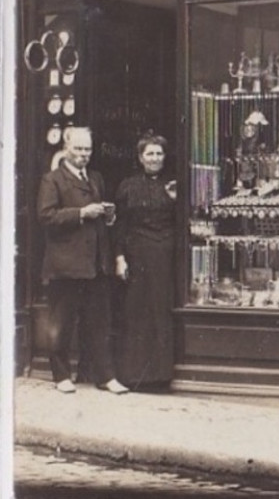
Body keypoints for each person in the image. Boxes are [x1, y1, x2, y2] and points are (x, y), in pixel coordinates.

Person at [36, 125, 128, 394]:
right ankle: (61, 376)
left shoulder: (96, 178)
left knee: (99, 324)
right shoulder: (52, 180)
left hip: (95, 265)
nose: (84, 154)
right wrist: (81, 213)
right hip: (66, 265)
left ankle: (105, 377)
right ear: (66, 148)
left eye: (87, 149)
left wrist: (107, 216)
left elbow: (97, 221)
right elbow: (46, 216)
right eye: (78, 149)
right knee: (62, 323)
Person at [114, 133, 177, 391]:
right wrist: (119, 258)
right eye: (149, 154)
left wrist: (175, 200)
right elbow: (119, 226)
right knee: (137, 312)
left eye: (159, 153)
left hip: (165, 255)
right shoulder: (127, 186)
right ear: (140, 157)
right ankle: (135, 376)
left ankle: (161, 377)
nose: (155, 158)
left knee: (161, 311)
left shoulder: (173, 184)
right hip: (137, 254)